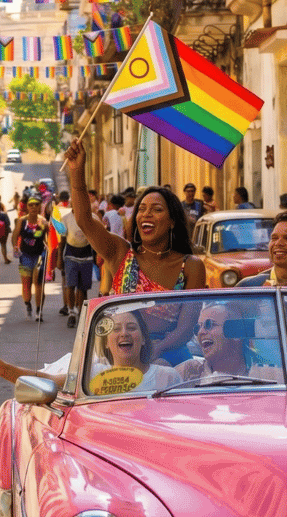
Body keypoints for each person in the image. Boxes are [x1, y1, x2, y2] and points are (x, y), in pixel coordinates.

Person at [65, 138, 205, 364]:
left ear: (172, 222)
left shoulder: (191, 266)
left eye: (157, 209)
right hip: (119, 352)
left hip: (170, 355)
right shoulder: (120, 253)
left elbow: (186, 329)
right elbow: (84, 220)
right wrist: (76, 172)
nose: (146, 214)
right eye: (142, 209)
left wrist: (151, 353)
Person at [0, 306, 181, 393]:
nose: (124, 333)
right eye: (115, 329)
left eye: (132, 327)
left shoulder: (168, 377)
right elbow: (47, 382)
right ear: (107, 342)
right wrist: (5, 370)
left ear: (144, 338)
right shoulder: (90, 374)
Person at [60, 198, 96, 328]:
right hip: (71, 256)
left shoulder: (92, 218)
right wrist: (59, 259)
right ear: (71, 205)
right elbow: (62, 241)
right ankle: (71, 313)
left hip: (86, 257)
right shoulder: (66, 218)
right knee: (70, 285)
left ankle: (78, 310)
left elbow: (96, 238)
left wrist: (98, 256)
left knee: (82, 287)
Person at [12, 193, 48, 319]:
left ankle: (39, 311)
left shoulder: (43, 222)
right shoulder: (21, 221)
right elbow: (14, 236)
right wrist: (15, 247)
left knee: (39, 284)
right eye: (30, 205)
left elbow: (48, 239)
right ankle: (28, 304)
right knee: (26, 284)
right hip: (25, 256)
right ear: (27, 206)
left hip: (39, 256)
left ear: (40, 207)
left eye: (36, 205)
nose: (33, 207)